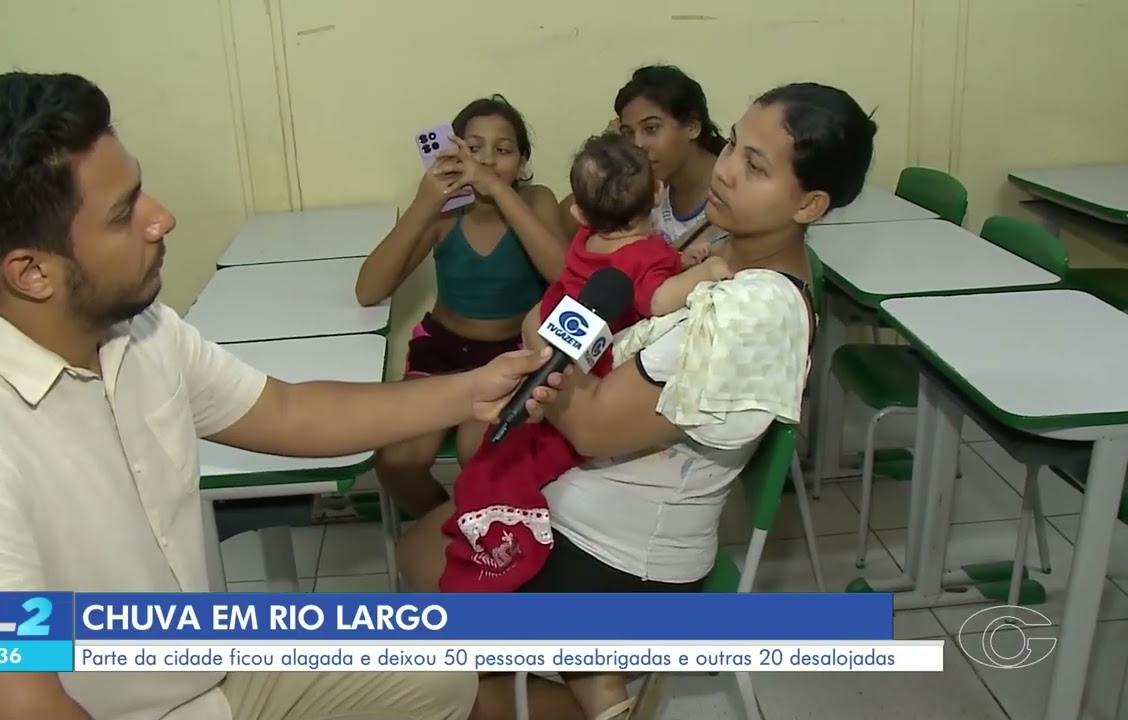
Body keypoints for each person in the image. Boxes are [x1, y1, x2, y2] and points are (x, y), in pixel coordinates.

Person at [0, 72, 567, 720]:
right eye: (123, 213)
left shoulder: (140, 333)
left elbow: (289, 411)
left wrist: (472, 390)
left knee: (444, 675)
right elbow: (10, 705)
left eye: (142, 190)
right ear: (31, 271)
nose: (162, 217)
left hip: (214, 667)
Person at [401, 82, 878, 720]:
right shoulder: (717, 254)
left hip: (626, 555)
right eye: (733, 143)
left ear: (810, 203)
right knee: (427, 549)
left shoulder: (753, 309)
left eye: (756, 166)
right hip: (595, 506)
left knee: (435, 647)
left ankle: (575, 687)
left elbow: (594, 426)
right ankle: (577, 681)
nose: (728, 169)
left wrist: (545, 343)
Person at [440, 133, 733, 593]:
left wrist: (678, 261)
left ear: (579, 212)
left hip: (550, 357)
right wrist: (705, 272)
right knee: (534, 466)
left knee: (509, 457)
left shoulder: (583, 241)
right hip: (587, 380)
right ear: (657, 194)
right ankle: (503, 549)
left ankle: (478, 524)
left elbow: (633, 269)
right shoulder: (648, 255)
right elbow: (655, 297)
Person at [354, 95, 568, 518]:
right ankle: (450, 532)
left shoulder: (537, 200)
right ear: (453, 152)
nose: (487, 160)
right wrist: (422, 205)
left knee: (482, 452)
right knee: (397, 462)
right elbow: (368, 289)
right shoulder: (442, 214)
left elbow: (564, 275)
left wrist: (499, 191)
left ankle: (486, 539)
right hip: (443, 353)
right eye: (474, 148)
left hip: (513, 356)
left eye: (503, 150)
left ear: (522, 161)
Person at [560, 65, 729, 252]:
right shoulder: (636, 183)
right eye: (628, 133)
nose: (637, 145)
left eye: (651, 128)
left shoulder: (729, 196)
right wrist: (609, 157)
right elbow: (568, 218)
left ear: (692, 127)